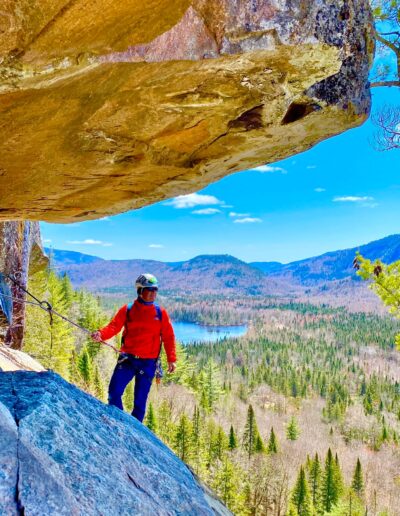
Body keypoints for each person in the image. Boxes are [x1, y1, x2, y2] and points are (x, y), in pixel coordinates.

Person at [91, 273, 176, 422]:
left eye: (155, 290)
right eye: (149, 290)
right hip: (128, 359)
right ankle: (118, 423)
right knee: (114, 392)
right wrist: (100, 334)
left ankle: (134, 433)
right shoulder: (128, 310)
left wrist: (171, 359)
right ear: (140, 291)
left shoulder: (160, 313)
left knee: (140, 403)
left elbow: (168, 337)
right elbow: (113, 327)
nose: (153, 293)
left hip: (148, 363)